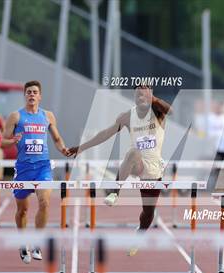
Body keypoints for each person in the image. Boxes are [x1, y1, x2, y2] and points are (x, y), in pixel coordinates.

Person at [67, 85, 171, 256]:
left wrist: (153, 99)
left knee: (147, 213)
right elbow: (105, 134)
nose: (140, 98)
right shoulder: (127, 117)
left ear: (151, 96)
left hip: (154, 169)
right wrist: (81, 147)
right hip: (137, 164)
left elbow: (170, 110)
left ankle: (140, 234)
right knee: (132, 153)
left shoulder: (158, 113)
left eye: (144, 95)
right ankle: (114, 192)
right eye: (137, 95)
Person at [0, 80, 69, 264]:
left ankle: (37, 242)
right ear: (25, 95)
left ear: (40, 96)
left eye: (35, 92)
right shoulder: (16, 117)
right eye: (28, 92)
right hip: (23, 168)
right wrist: (14, 139)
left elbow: (57, 137)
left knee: (44, 202)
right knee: (22, 210)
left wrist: (63, 149)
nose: (31, 94)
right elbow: (2, 142)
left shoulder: (47, 116)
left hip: (43, 167)